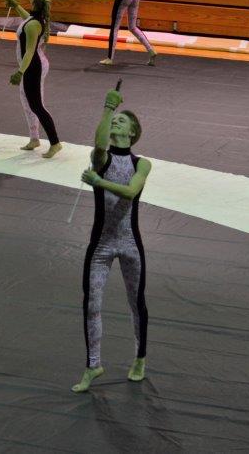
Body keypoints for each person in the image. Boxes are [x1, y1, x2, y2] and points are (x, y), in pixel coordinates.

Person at [72, 89, 152, 393]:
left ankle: (140, 358)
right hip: (101, 245)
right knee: (91, 303)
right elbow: (98, 144)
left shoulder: (142, 164)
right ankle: (93, 365)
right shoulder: (101, 159)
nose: (116, 122)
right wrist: (108, 107)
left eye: (122, 121)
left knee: (136, 302)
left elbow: (130, 192)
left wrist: (98, 182)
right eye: (114, 120)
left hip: (130, 243)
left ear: (132, 133)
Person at [1, 0, 63, 158]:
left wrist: (20, 72)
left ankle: (55, 143)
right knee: (28, 102)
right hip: (33, 64)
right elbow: (27, 18)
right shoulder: (35, 19)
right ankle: (34, 138)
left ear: (34, 1)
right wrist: (16, 6)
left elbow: (29, 51)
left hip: (33, 67)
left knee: (37, 106)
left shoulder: (33, 25)